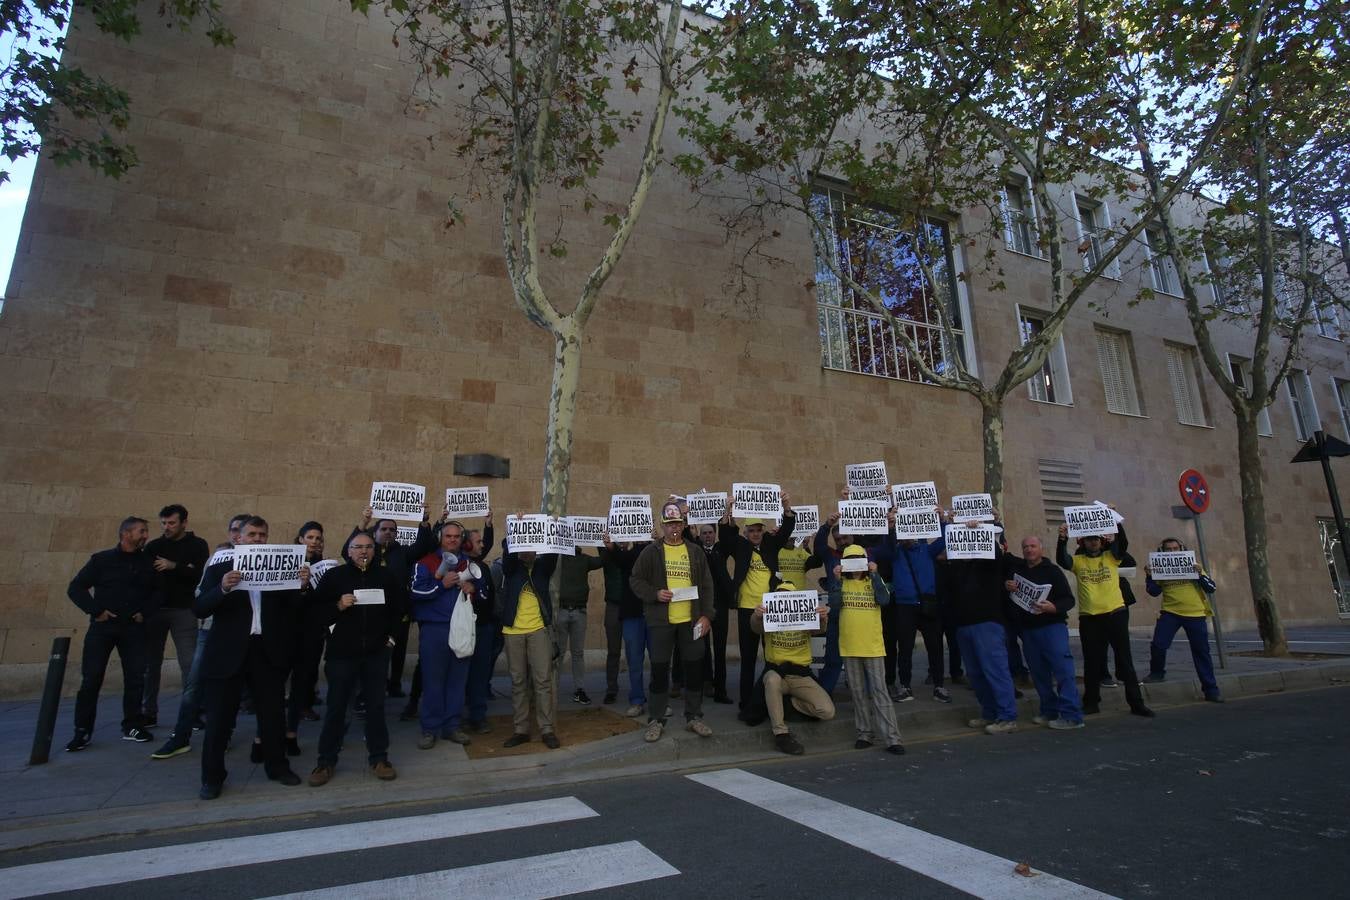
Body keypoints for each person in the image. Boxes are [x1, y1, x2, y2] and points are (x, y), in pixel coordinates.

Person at [194, 516, 306, 799]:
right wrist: (222, 588)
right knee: (219, 719)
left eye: (262, 534)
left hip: (266, 652)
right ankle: (212, 777)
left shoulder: (280, 566)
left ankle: (277, 766)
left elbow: (295, 609)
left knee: (272, 715)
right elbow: (199, 608)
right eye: (252, 534)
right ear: (239, 538)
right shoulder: (220, 567)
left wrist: (302, 585)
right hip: (228, 653)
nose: (257, 539)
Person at [306, 532, 403, 785]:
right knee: (336, 707)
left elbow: (398, 610)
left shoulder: (386, 577)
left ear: (375, 551)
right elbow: (315, 612)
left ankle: (379, 758)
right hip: (342, 655)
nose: (363, 551)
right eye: (358, 547)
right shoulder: (335, 577)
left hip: (375, 655)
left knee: (376, 707)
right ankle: (325, 761)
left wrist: (391, 639)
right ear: (348, 551)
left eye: (369, 547)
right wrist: (337, 606)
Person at [151, 514, 248, 760]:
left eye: (243, 531)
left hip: (241, 633)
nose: (238, 535)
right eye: (234, 530)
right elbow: (200, 596)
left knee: (232, 689)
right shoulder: (219, 559)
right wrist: (222, 587)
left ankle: (223, 735)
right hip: (211, 631)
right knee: (194, 685)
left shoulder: (258, 561)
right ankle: (180, 736)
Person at [66, 516, 158, 751]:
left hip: (134, 629)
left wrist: (144, 613)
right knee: (92, 679)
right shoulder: (101, 560)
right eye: (141, 531)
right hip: (103, 629)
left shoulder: (148, 562)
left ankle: (133, 725)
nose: (145, 535)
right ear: (126, 534)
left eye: (146, 531)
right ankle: (82, 730)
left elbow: (158, 594)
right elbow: (76, 588)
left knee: (136, 678)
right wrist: (97, 611)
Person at [631, 501, 717, 743]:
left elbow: (707, 585)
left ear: (683, 524)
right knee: (659, 671)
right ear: (663, 525)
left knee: (693, 670)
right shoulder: (652, 551)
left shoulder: (695, 551)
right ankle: (656, 720)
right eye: (669, 524)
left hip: (691, 621)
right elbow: (636, 580)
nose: (674, 528)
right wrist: (655, 594)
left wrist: (707, 615)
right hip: (661, 622)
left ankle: (694, 717)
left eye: (677, 523)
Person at [1057, 520, 1155, 718]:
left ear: (1102, 542)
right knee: (1092, 662)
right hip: (1089, 619)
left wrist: (1116, 522)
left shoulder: (1112, 557)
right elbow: (1062, 560)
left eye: (1096, 539)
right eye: (1089, 539)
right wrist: (1061, 539)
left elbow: (1123, 543)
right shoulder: (1078, 562)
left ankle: (1137, 703)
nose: (1093, 542)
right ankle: (1091, 703)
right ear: (1082, 542)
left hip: (1115, 615)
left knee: (1125, 660)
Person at [408, 522, 484, 748]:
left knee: (457, 681)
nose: (452, 540)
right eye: (448, 536)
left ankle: (452, 726)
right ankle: (430, 729)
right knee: (433, 681)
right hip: (435, 629)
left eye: (456, 536)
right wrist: (442, 585)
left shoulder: (468, 563)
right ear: (440, 537)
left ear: (462, 539)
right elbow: (415, 592)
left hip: (461, 628)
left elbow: (482, 591)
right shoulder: (425, 562)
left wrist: (474, 590)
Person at [719, 493, 796, 712]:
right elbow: (725, 538)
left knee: (773, 656)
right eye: (751, 530)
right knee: (749, 658)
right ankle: (747, 702)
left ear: (763, 530)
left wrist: (786, 506)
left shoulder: (771, 543)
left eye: (758, 530)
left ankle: (769, 696)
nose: (755, 534)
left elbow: (787, 530)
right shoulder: (740, 545)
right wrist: (728, 512)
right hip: (747, 609)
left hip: (771, 609)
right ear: (746, 532)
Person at [350, 506, 437, 698]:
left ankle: (395, 685)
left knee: (399, 650)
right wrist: (363, 523)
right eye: (384, 529)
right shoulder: (367, 552)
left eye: (392, 530)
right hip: (372, 615)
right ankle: (369, 690)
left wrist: (423, 523)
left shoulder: (402, 553)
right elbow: (347, 548)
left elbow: (422, 547)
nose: (388, 532)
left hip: (399, 613)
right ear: (375, 532)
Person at [944, 520, 1019, 734]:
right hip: (964, 625)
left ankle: (1007, 716)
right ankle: (989, 713)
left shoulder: (990, 563)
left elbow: (995, 551)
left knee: (995, 670)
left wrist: (982, 528)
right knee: (976, 674)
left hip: (987, 623)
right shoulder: (957, 566)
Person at [141, 504, 210, 730]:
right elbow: (149, 575)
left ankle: (192, 712)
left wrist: (174, 567)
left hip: (184, 610)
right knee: (151, 664)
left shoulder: (198, 545)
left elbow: (198, 574)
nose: (167, 527)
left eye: (171, 523)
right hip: (156, 611)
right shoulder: (154, 546)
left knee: (189, 664)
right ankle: (148, 712)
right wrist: (184, 569)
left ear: (184, 523)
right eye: (163, 523)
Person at [1004, 536, 1084, 729]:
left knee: (1062, 671)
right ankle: (1049, 710)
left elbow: (1069, 600)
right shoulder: (1017, 570)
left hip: (1052, 627)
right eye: (1025, 547)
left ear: (1041, 548)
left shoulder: (1053, 572)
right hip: (1028, 630)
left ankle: (1072, 715)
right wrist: (1007, 586)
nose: (1029, 550)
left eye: (1033, 546)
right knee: (1039, 674)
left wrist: (1054, 607)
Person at [831, 545, 904, 754]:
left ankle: (893, 738)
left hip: (872, 646)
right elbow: (835, 606)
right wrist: (836, 581)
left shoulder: (874, 580)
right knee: (858, 693)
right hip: (850, 646)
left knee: (880, 692)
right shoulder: (841, 583)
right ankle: (864, 733)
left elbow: (884, 599)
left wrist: (874, 574)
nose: (854, 562)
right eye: (850, 559)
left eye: (858, 558)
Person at [750, 584, 835, 755]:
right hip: (777, 671)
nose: (784, 599)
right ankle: (781, 733)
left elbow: (819, 630)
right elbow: (755, 628)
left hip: (800, 675)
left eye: (788, 595)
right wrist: (756, 616)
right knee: (771, 680)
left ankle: (788, 705)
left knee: (827, 711)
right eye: (780, 595)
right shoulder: (769, 615)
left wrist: (823, 618)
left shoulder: (805, 616)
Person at [497, 533, 561, 749]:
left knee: (543, 681)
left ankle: (547, 729)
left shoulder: (543, 568)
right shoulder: (512, 567)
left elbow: (553, 553)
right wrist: (514, 529)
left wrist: (550, 527)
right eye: (522, 547)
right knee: (518, 682)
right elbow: (507, 552)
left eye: (531, 546)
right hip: (512, 631)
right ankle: (521, 729)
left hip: (538, 630)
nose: (526, 551)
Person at [876, 519, 949, 703]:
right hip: (905, 606)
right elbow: (885, 549)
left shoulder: (926, 550)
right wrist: (891, 529)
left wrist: (943, 520)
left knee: (935, 647)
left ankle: (939, 686)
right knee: (905, 648)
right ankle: (906, 686)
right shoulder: (896, 552)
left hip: (927, 604)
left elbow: (944, 538)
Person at [1144, 538, 1222, 702]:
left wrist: (1200, 574)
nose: (1172, 552)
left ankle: (1211, 690)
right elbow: (1153, 592)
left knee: (1201, 652)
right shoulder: (1158, 568)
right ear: (1162, 552)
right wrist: (1150, 576)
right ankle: (1157, 673)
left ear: (1181, 549)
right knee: (1158, 644)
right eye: (1168, 549)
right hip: (1170, 612)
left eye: (1175, 548)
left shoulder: (1194, 566)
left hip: (1195, 614)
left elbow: (1211, 588)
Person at [283, 521, 328, 755]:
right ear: (300, 539)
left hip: (311, 632)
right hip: (286, 631)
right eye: (310, 537)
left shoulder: (323, 566)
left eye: (318, 538)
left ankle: (291, 732)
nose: (314, 542)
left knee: (302, 681)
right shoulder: (286, 562)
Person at [602, 536, 649, 717]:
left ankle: (659, 699)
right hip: (631, 612)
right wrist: (612, 547)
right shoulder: (629, 555)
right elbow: (619, 559)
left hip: (652, 612)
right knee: (634, 660)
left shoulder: (658, 550)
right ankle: (636, 700)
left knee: (658, 660)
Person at [556, 548, 604, 704]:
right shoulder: (557, 558)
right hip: (561, 610)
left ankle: (579, 689)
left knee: (578, 653)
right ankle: (552, 689)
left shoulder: (584, 559)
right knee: (558, 653)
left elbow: (603, 560)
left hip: (579, 611)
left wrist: (601, 542)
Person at [695, 522, 734, 704]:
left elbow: (728, 535)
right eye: (704, 533)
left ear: (715, 534)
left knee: (720, 648)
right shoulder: (695, 550)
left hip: (720, 605)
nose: (708, 536)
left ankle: (721, 690)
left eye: (711, 532)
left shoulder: (721, 549)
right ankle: (705, 682)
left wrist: (728, 516)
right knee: (702, 647)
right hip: (701, 607)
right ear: (700, 535)